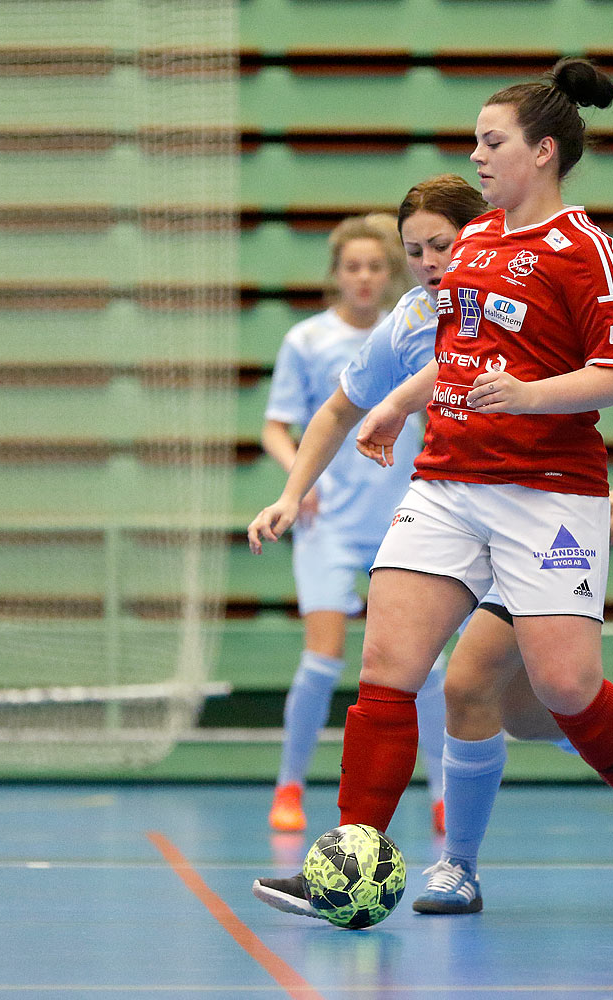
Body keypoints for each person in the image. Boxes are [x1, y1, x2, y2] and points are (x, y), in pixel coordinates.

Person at [252, 57, 613, 917]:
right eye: (475, 141)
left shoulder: (591, 253)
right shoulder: (479, 243)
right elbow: (456, 354)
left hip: (548, 493)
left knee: (565, 688)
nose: (479, 156)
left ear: (542, 151)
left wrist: (533, 398)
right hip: (449, 483)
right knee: (386, 668)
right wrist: (390, 406)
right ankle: (345, 869)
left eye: (491, 142)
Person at [260, 213, 447, 835]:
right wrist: (297, 487)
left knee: (426, 666)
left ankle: (444, 790)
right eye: (352, 267)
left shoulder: (423, 326)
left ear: (389, 272)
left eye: (375, 266)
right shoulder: (307, 341)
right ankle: (289, 786)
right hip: (330, 524)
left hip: (405, 516)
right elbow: (278, 426)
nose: (364, 278)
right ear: (335, 275)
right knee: (322, 659)